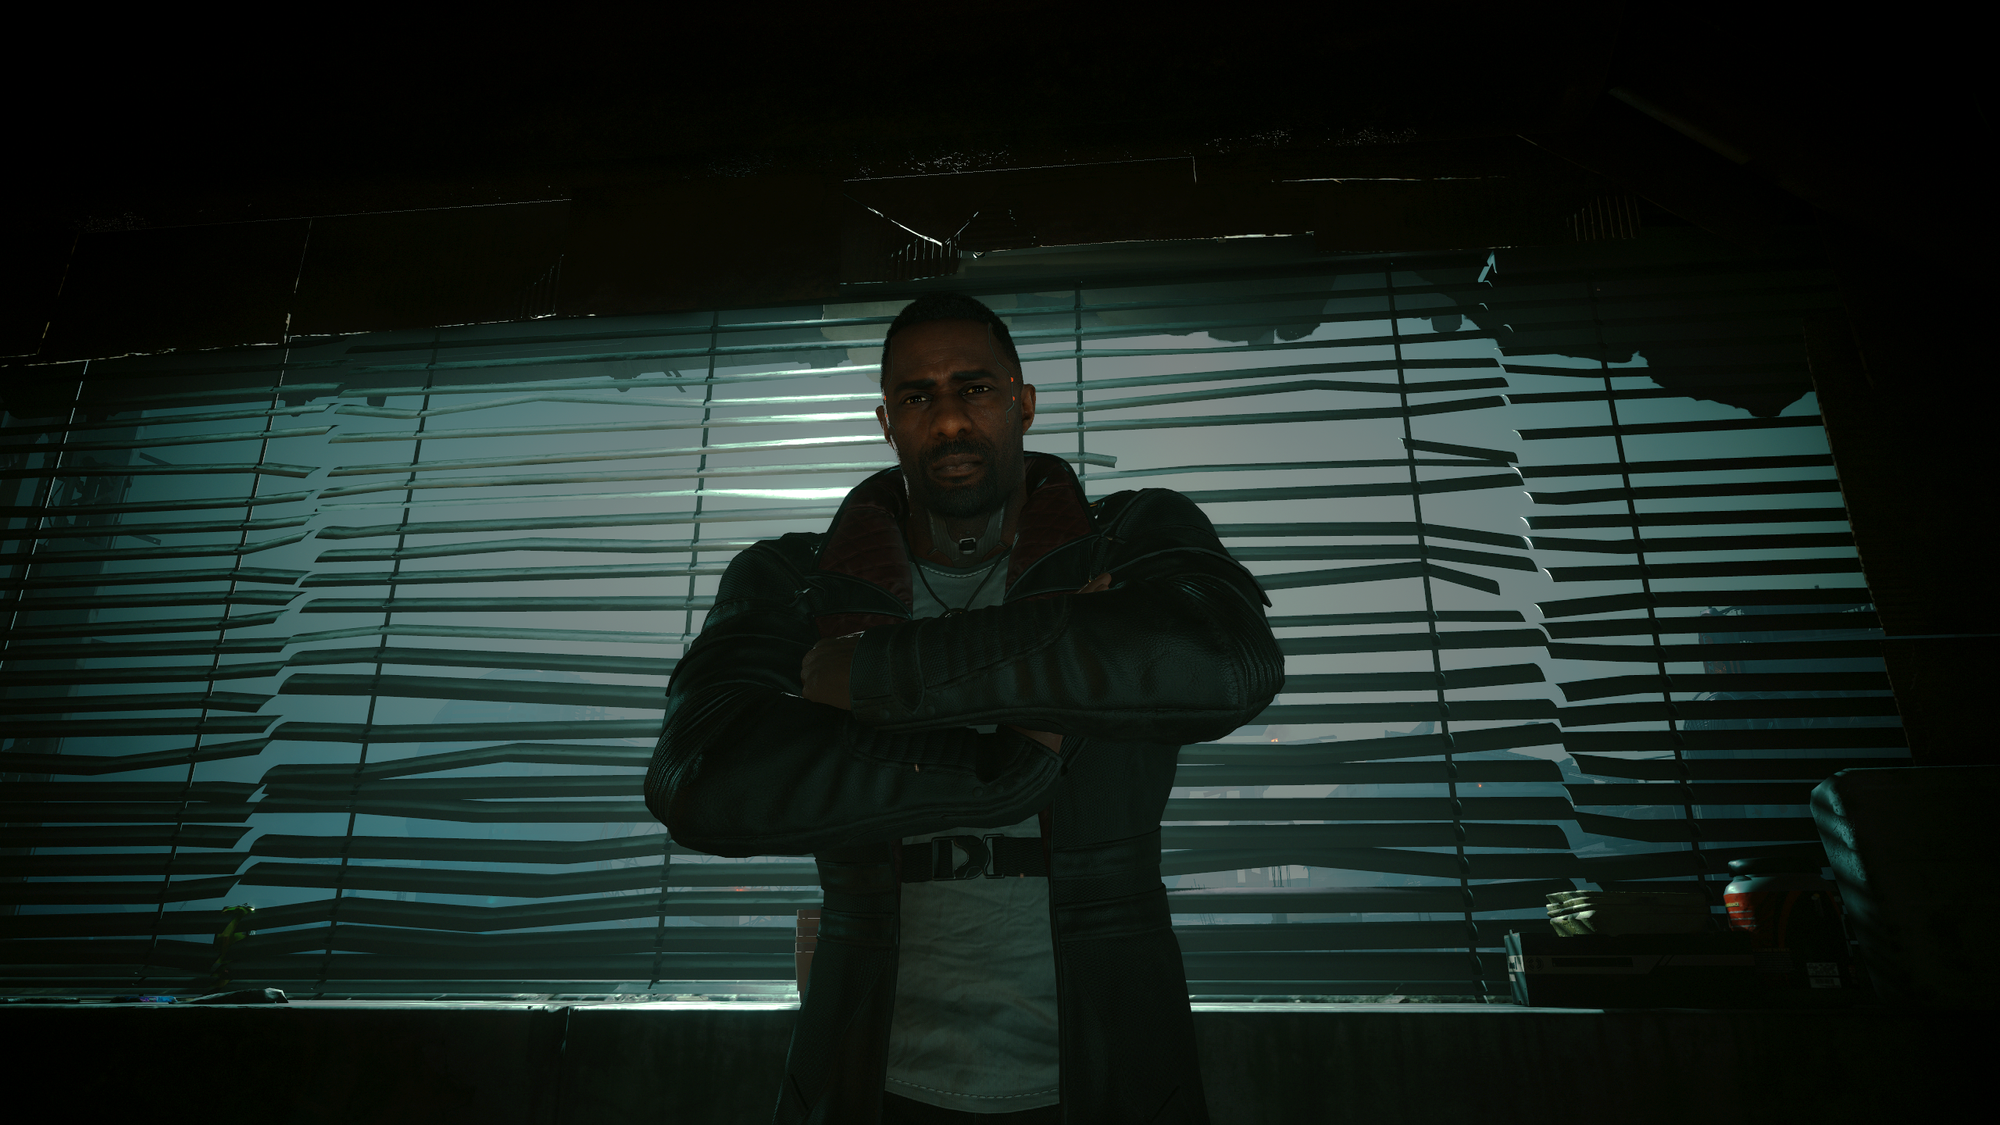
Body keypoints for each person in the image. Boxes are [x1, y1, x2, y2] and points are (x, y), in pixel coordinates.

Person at [647, 292, 1284, 1124]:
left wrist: (874, 675)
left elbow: (1227, 661)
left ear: (1024, 402)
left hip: (1106, 1068)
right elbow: (702, 776)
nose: (949, 420)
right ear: (887, 422)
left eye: (975, 388)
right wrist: (1004, 767)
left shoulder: (1131, 535)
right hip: (871, 1071)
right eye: (918, 397)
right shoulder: (793, 579)